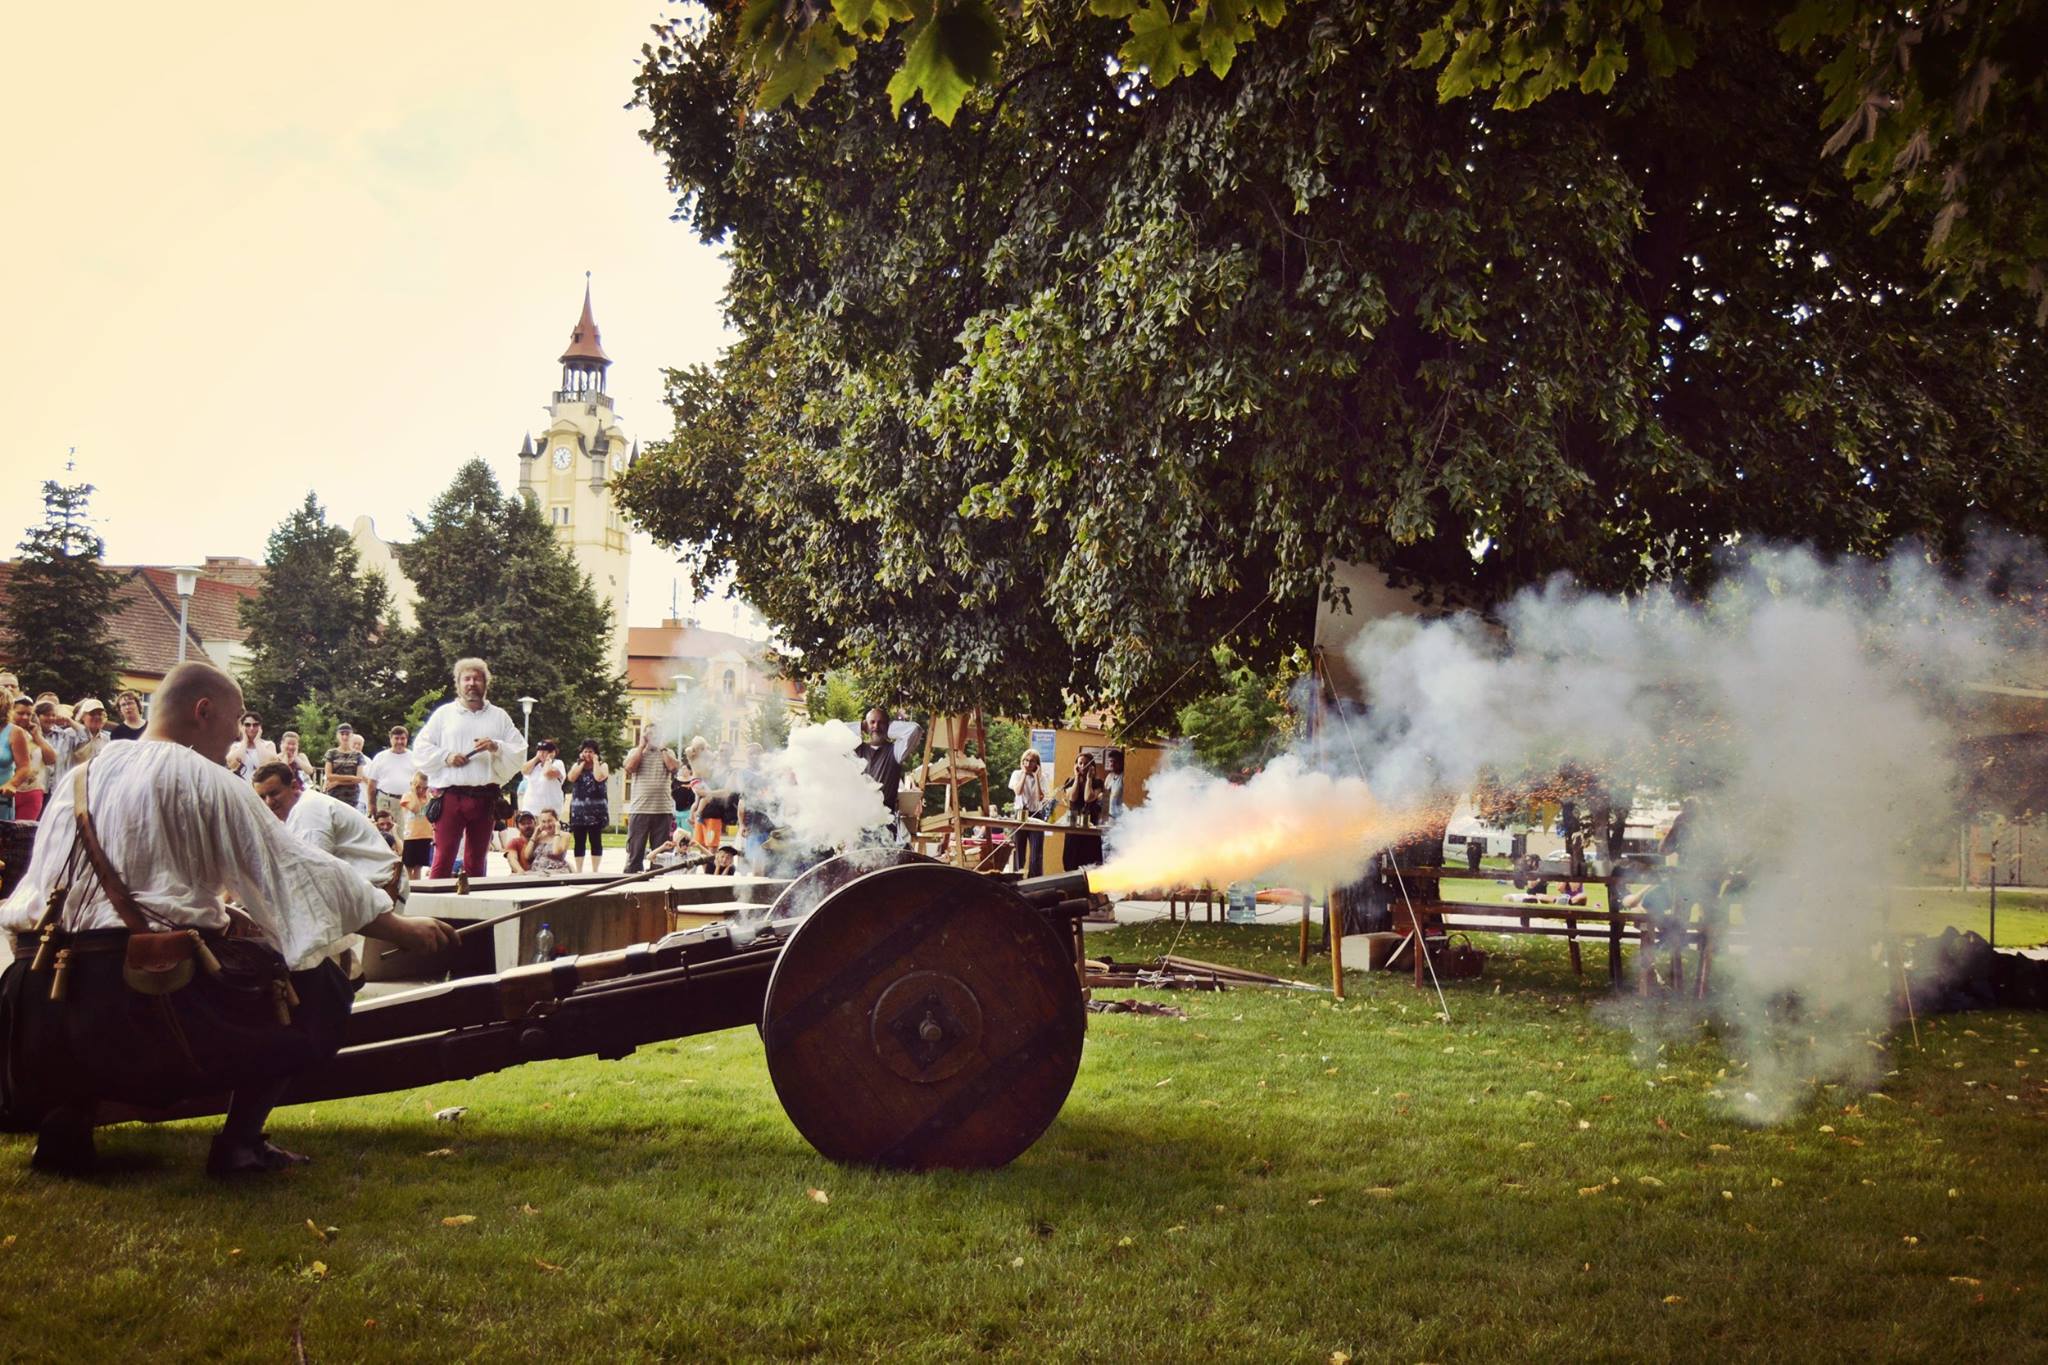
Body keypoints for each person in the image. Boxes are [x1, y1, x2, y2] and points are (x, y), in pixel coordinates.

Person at [0, 661, 455, 1177]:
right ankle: (239, 1145)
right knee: (323, 982)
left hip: (43, 1006)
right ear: (203, 711)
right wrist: (399, 928)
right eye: (236, 723)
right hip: (147, 1006)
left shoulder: (78, 778)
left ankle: (66, 1130)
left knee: (93, 966)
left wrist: (218, 915)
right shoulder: (204, 778)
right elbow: (298, 870)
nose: (236, 741)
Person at [251, 760, 410, 980]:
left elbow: (312, 875)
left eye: (274, 793)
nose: (269, 802)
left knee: (302, 913)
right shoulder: (296, 812)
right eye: (262, 797)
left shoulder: (309, 811)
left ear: (295, 786)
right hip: (364, 887)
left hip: (382, 888)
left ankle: (343, 978)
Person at [412, 658, 527, 880]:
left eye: (477, 678)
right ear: (458, 683)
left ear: (486, 683)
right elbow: (420, 747)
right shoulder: (444, 715)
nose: (472, 683)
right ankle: (435, 908)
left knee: (477, 860)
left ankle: (474, 909)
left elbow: (519, 749)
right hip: (451, 798)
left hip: (485, 798)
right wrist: (446, 756)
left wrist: (496, 746)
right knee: (443, 857)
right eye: (467, 679)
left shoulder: (499, 716)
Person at [620, 722, 680, 874]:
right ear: (644, 736)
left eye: (656, 734)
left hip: (662, 810)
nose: (652, 737)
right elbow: (629, 768)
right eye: (649, 734)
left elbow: (673, 768)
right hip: (640, 809)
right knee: (635, 854)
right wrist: (641, 747)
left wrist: (663, 748)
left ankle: (657, 886)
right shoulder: (635, 751)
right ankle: (631, 883)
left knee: (660, 857)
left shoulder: (668, 752)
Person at [2, 696, 56, 821]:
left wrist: (37, 736)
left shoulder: (34, 735)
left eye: (29, 714)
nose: (25, 717)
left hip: (31, 792)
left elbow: (51, 760)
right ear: (10, 711)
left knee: (23, 836)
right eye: (20, 713)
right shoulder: (5, 735)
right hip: (7, 791)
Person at [853, 707, 903, 836]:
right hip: (859, 823)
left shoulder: (896, 750)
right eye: (872, 722)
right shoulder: (857, 749)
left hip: (886, 823)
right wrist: (860, 726)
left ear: (888, 725)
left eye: (881, 722)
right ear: (866, 725)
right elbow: (836, 732)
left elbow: (915, 730)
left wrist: (890, 729)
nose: (876, 726)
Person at [565, 739, 610, 873]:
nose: (588, 754)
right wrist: (582, 763)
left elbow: (599, 777)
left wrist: (595, 761)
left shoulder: (603, 765)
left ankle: (595, 870)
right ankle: (579, 870)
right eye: (585, 751)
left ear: (596, 753)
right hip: (578, 811)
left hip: (596, 811)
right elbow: (571, 778)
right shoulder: (577, 765)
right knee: (579, 841)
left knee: (596, 840)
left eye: (591, 751)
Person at [1058, 750, 1106, 870]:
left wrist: (1089, 779)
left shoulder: (1098, 782)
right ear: (1076, 765)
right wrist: (1076, 778)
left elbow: (1088, 798)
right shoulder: (1070, 781)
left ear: (1092, 766)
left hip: (1090, 824)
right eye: (1080, 763)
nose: (1082, 766)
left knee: (1090, 860)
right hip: (1073, 824)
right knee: (1071, 859)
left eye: (1086, 764)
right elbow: (1072, 798)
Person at [364, 725, 419, 824]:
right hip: (386, 801)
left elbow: (420, 782)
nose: (399, 742)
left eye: (402, 738)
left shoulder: (414, 757)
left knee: (405, 834)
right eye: (396, 738)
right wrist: (371, 804)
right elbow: (371, 783)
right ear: (390, 739)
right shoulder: (380, 757)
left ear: (407, 739)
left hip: (407, 802)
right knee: (386, 833)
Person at [45, 697, 109, 783]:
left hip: (96, 783)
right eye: (92, 714)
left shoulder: (107, 738)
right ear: (83, 717)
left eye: (100, 714)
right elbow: (61, 763)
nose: (97, 717)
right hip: (73, 783)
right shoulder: (70, 734)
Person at [1008, 749, 1050, 877]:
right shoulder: (1016, 774)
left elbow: (1040, 797)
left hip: (1035, 814)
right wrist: (1024, 774)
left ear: (1036, 764)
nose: (1027, 763)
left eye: (1031, 761)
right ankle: (1017, 878)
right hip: (1020, 814)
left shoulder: (1042, 777)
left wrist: (1036, 777)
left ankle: (1034, 879)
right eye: (1025, 760)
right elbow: (1018, 791)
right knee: (1019, 851)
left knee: (1036, 854)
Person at [397, 770, 435, 877]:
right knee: (409, 865)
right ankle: (410, 887)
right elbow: (415, 808)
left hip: (425, 835)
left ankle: (417, 885)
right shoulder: (408, 796)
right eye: (418, 787)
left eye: (425, 787)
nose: (421, 790)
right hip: (411, 836)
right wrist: (414, 792)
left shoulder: (428, 798)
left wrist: (427, 794)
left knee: (419, 866)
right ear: (413, 785)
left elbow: (431, 810)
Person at [323, 723, 366, 811]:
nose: (345, 737)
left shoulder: (358, 755)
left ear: (351, 736)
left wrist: (338, 782)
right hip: (334, 795)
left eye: (347, 734)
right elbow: (329, 775)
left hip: (352, 797)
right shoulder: (331, 753)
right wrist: (351, 778)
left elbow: (358, 779)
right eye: (342, 734)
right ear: (337, 736)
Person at [520, 739, 566, 820]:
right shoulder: (535, 766)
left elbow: (547, 773)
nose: (542, 754)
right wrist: (536, 758)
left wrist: (548, 759)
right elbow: (524, 770)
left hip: (549, 811)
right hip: (530, 809)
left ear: (552, 752)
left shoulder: (558, 763)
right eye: (539, 751)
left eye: (544, 751)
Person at [225, 711, 278, 783]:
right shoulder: (235, 746)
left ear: (260, 727)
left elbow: (268, 764)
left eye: (255, 725)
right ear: (242, 727)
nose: (251, 728)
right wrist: (245, 741)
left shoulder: (268, 745)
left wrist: (257, 741)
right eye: (247, 725)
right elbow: (234, 764)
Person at [525, 809, 573, 875]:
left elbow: (556, 852)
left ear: (557, 820)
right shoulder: (540, 836)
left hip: (556, 871)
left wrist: (557, 832)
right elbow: (527, 855)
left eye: (549, 821)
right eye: (543, 822)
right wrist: (535, 834)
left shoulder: (565, 835)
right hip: (536, 871)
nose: (547, 825)